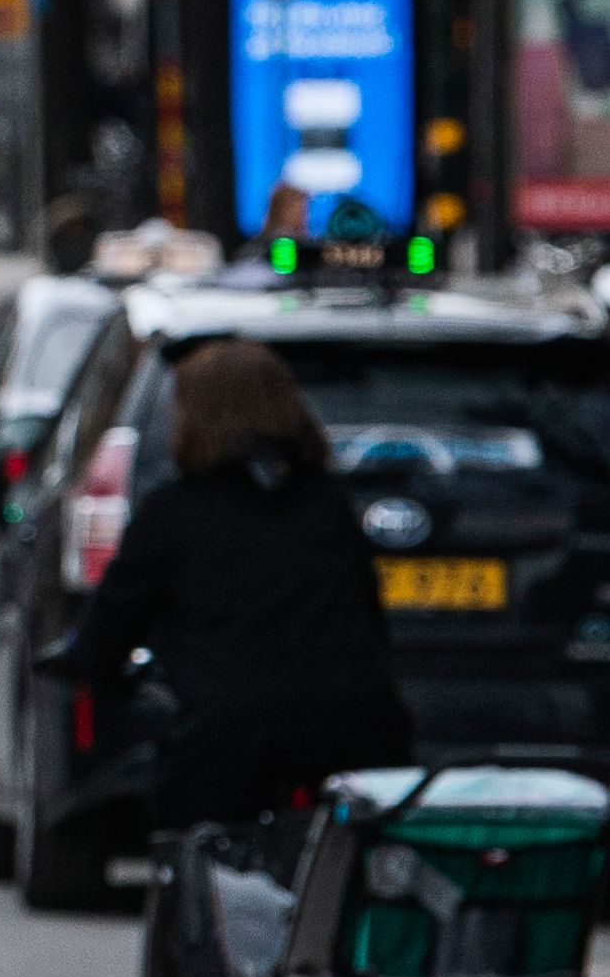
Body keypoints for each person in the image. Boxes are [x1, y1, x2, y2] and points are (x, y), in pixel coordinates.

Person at [65, 338, 410, 834]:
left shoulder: (173, 515)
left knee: (192, 843)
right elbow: (369, 621)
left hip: (231, 741)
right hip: (356, 732)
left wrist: (93, 668)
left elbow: (110, 626)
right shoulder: (328, 504)